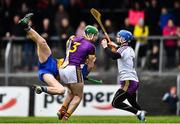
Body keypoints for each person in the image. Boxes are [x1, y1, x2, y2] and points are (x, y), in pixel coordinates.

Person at [19, 13, 98, 120]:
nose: (96, 38)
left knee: (42, 41)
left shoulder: (72, 38)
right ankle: (64, 115)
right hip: (49, 71)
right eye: (96, 35)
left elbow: (69, 52)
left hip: (59, 67)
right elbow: (90, 64)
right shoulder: (91, 46)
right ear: (91, 35)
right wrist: (84, 72)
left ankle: (26, 27)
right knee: (66, 92)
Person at [101, 30, 146, 122]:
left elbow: (114, 56)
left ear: (124, 39)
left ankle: (138, 113)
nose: (117, 38)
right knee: (132, 102)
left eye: (119, 36)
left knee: (115, 103)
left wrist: (106, 47)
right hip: (133, 81)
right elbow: (120, 53)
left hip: (128, 81)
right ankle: (142, 118)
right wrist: (116, 46)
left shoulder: (122, 50)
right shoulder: (129, 49)